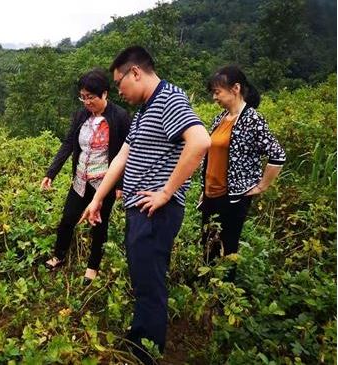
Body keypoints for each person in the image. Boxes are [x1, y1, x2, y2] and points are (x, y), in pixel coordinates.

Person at [80, 46, 211, 363]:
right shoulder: (144, 110)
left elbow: (201, 141)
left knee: (149, 283)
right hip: (140, 210)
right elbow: (123, 157)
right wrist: (98, 198)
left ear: (135, 72)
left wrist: (166, 192)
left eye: (119, 83)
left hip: (156, 211)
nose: (119, 92)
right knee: (143, 277)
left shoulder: (169, 99)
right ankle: (140, 338)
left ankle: (144, 354)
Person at [42, 68, 131, 284]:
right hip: (81, 179)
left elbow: (125, 152)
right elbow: (69, 144)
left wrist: (120, 183)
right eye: (83, 97)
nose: (86, 102)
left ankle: (92, 267)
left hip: (104, 183)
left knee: (99, 225)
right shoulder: (81, 115)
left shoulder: (119, 117)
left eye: (91, 97)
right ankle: (59, 255)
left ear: (105, 94)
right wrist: (51, 173)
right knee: (67, 220)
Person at [200, 66, 286, 281]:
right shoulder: (220, 118)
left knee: (228, 246)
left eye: (218, 92)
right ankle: (207, 288)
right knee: (208, 243)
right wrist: (204, 188)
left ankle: (226, 294)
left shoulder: (252, 119)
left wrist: (261, 186)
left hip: (233, 197)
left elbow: (277, 155)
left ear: (235, 88)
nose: (214, 97)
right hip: (211, 193)